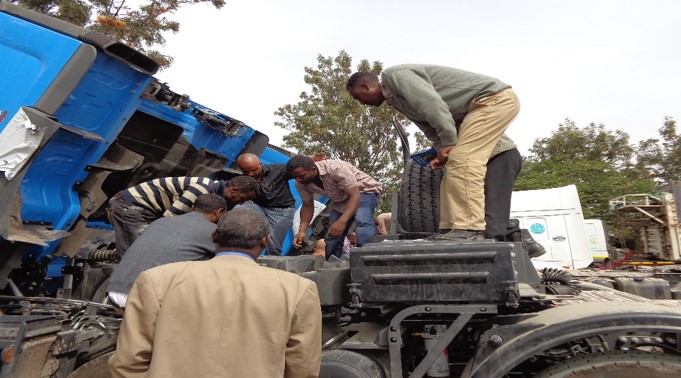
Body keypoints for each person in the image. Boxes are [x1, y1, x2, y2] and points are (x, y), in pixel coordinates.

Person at [109, 208, 322, 377]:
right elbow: (303, 368)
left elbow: (128, 363)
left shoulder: (156, 279)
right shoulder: (298, 290)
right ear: (266, 241)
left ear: (214, 235)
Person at [347, 65, 520, 241]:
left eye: (358, 97)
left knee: (463, 160)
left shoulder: (395, 76)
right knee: (452, 168)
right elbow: (429, 128)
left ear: (366, 86)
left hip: (492, 99)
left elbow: (433, 105)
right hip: (476, 110)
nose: (361, 103)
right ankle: (450, 228)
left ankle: (468, 228)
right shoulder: (395, 99)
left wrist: (449, 143)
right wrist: (442, 151)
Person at [106, 194, 226, 309]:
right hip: (145, 301)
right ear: (219, 212)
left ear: (193, 207)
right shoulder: (213, 232)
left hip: (114, 293)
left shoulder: (159, 222)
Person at [108, 175, 258, 256]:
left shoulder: (217, 196)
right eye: (242, 199)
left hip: (149, 211)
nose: (241, 203)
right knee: (137, 252)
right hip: (130, 207)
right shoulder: (201, 189)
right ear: (234, 191)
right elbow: (169, 221)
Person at [286, 155, 382, 258]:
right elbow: (307, 205)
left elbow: (355, 196)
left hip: (364, 191)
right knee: (332, 233)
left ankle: (370, 258)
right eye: (295, 177)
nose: (298, 179)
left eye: (301, 176)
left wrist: (342, 221)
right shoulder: (300, 183)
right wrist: (302, 231)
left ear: (313, 169)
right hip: (341, 199)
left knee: (363, 221)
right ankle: (333, 262)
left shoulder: (336, 169)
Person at [236, 153, 296, 256]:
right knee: (237, 209)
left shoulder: (278, 169)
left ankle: (270, 265)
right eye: (246, 172)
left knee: (273, 246)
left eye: (254, 170)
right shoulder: (244, 179)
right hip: (260, 208)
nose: (250, 174)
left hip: (282, 211)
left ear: (260, 164)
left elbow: (297, 166)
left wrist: (312, 159)